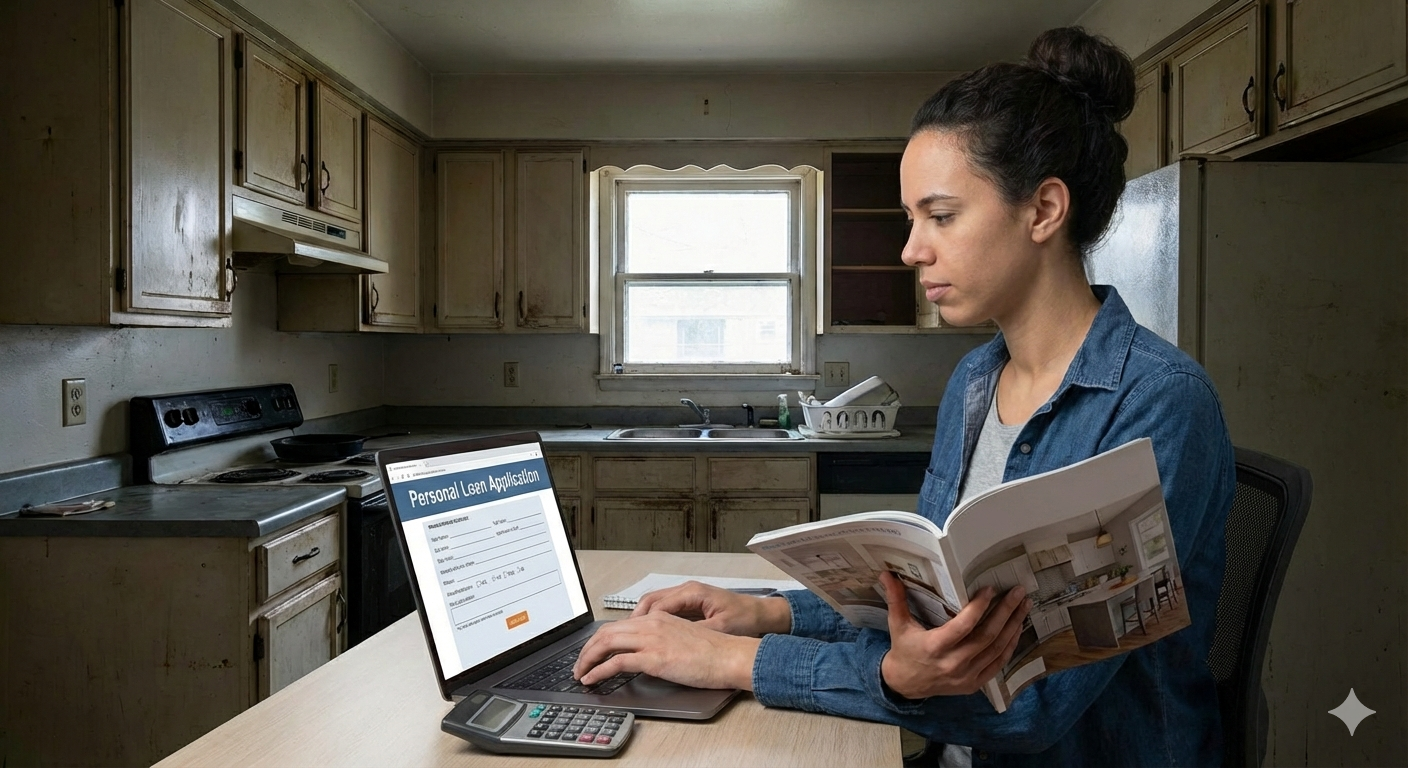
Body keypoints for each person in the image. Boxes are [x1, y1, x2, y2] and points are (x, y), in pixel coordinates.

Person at [573, 26, 1234, 767]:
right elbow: (922, 610)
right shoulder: (976, 383)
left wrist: (734, 663)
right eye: (911, 218)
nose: (911, 249)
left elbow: (1028, 702)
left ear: (1044, 210)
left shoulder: (1159, 405)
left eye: (941, 216)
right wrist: (764, 613)